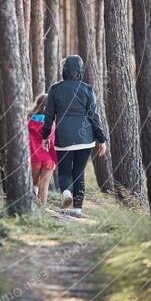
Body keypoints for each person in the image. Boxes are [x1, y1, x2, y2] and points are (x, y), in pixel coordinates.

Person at [41, 55, 108, 217]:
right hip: (85, 139)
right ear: (80, 70)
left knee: (64, 172)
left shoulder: (55, 89)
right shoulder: (87, 89)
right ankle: (78, 209)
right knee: (79, 173)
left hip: (63, 138)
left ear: (64, 70)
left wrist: (45, 136)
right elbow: (94, 116)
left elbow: (49, 116)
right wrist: (102, 139)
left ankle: (66, 193)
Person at [27, 94, 57, 205]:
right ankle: (42, 212)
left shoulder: (29, 122)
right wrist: (56, 158)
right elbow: (53, 142)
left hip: (34, 157)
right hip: (48, 158)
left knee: (32, 184)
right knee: (43, 187)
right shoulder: (52, 123)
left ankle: (30, 207)